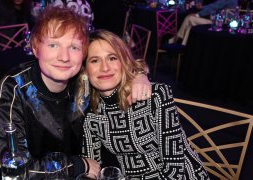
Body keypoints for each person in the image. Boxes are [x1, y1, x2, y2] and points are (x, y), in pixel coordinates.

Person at [0, 6, 151, 179]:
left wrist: (137, 75)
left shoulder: (83, 78)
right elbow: (16, 170)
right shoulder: (13, 89)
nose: (64, 57)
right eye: (53, 45)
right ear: (36, 47)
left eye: (74, 47)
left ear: (83, 53)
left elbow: (117, 67)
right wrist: (76, 165)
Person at [76, 29, 210, 179]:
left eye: (112, 58)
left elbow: (175, 168)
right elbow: (91, 165)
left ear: (123, 61)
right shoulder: (90, 113)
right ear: (85, 70)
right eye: (94, 60)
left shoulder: (155, 96)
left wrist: (140, 74)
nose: (105, 67)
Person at [169, 0, 238, 45]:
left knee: (190, 18)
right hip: (217, 22)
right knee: (190, 24)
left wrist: (198, 14)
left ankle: (177, 39)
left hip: (220, 26)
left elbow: (214, 7)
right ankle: (183, 44)